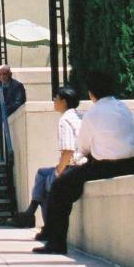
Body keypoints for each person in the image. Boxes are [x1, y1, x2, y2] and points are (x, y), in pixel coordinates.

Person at [33, 68, 134, 255]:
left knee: (59, 188)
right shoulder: (123, 108)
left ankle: (56, 242)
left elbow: (83, 148)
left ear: (91, 93)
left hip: (107, 167)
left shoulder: (92, 113)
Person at [14, 84, 85, 227]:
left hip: (72, 167)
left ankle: (48, 228)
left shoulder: (65, 120)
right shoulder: (81, 116)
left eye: (56, 98)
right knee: (42, 173)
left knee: (47, 186)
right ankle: (31, 211)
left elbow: (68, 151)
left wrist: (59, 172)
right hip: (83, 165)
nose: (54, 100)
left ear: (64, 102)